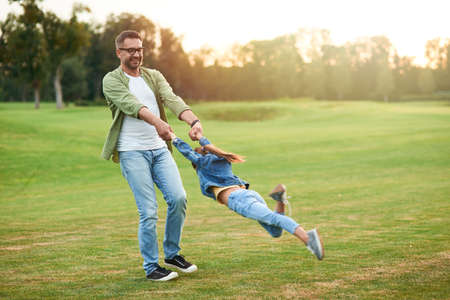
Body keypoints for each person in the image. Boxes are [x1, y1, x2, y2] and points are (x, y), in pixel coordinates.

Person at [101, 30, 202, 281]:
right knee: (148, 210)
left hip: (158, 150)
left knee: (178, 198)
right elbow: (132, 106)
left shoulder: (153, 76)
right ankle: (151, 268)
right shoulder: (111, 80)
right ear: (119, 53)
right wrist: (158, 123)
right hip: (131, 151)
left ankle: (171, 253)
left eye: (140, 49)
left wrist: (193, 121)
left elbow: (171, 99)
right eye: (130, 50)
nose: (136, 54)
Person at [170, 133, 325, 261]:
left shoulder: (202, 163)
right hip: (249, 195)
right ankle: (279, 198)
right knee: (275, 232)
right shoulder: (222, 159)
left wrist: (173, 137)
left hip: (238, 199)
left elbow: (188, 152)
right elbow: (208, 148)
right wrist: (200, 137)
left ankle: (307, 238)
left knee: (273, 219)